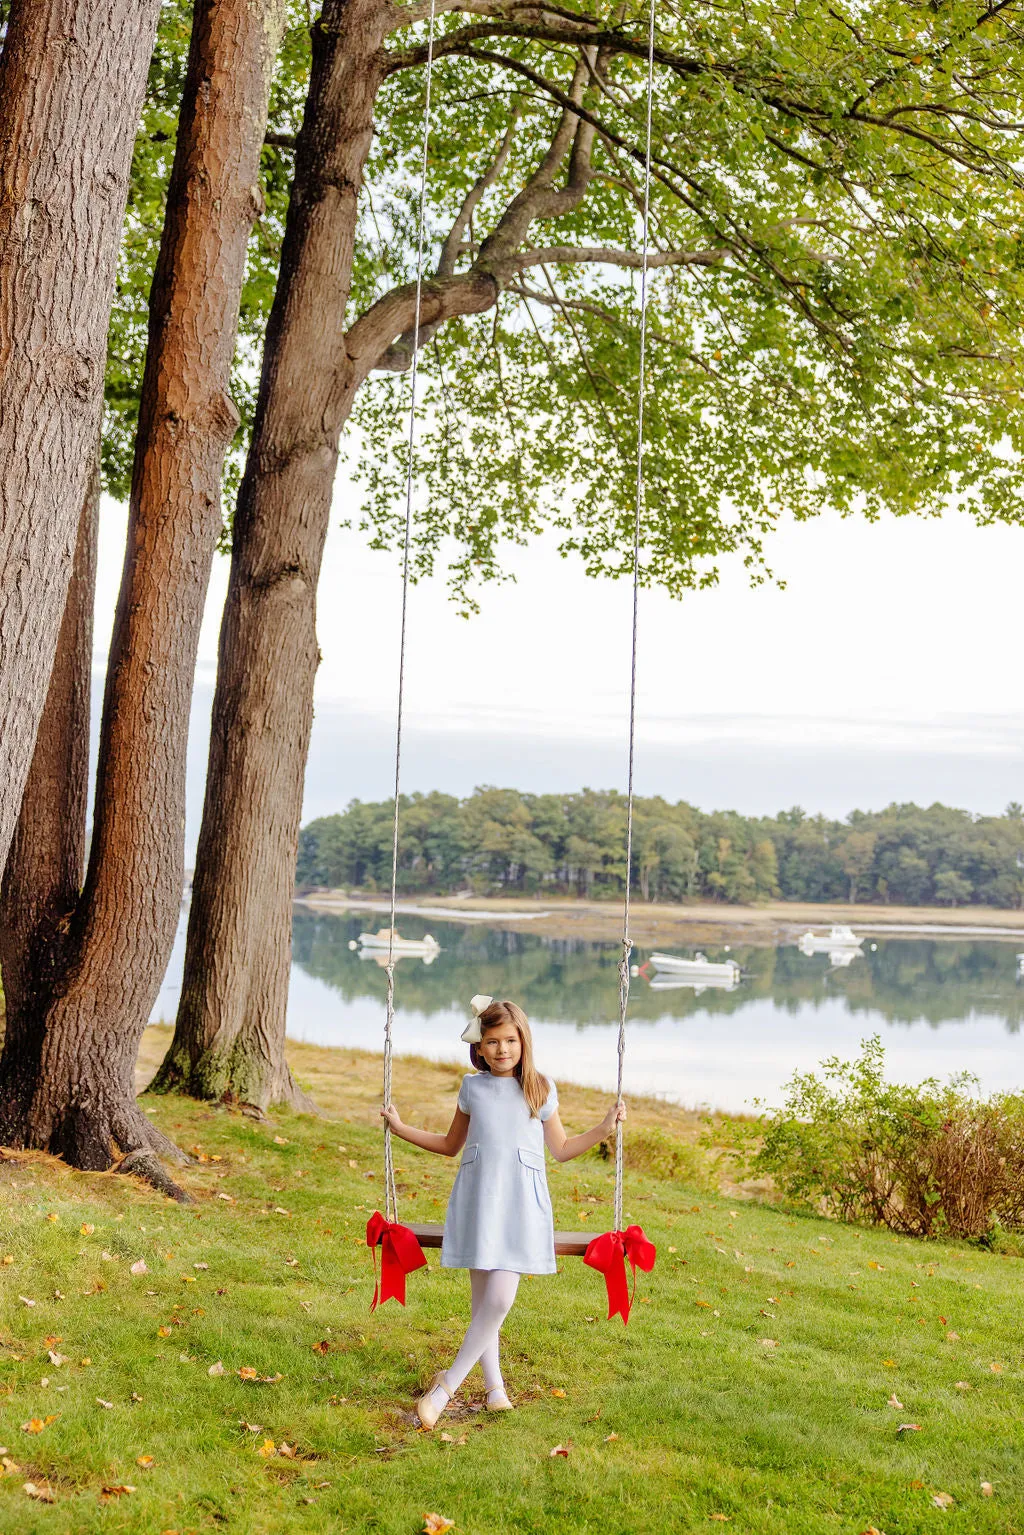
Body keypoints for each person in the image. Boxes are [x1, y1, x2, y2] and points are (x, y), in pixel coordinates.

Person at [380, 994, 625, 1429]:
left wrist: (604, 1128)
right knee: (483, 1305)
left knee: (499, 1299)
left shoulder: (539, 1088)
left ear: (523, 1041)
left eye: (510, 1040)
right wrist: (400, 1129)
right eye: (492, 1042)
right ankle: (495, 1389)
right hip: (477, 1198)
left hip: (520, 1204)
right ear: (479, 1046)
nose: (502, 1050)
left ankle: (445, 1387)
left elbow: (563, 1149)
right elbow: (450, 1145)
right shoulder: (472, 1088)